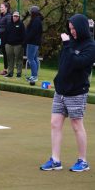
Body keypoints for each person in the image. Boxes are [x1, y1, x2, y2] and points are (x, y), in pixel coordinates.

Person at [40, 14, 95, 172]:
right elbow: (63, 62)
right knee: (55, 123)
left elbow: (77, 63)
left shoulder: (90, 45)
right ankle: (55, 160)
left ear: (82, 27)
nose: (72, 31)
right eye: (70, 29)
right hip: (61, 90)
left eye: (74, 28)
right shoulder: (70, 43)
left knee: (77, 125)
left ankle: (83, 160)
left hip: (77, 91)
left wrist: (67, 45)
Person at [24, 6, 43, 82]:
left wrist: (26, 40)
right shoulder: (37, 20)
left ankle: (34, 76)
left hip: (32, 42)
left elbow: (32, 33)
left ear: (33, 13)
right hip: (35, 42)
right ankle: (34, 75)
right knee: (34, 59)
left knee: (31, 59)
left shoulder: (36, 20)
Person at [4, 11, 26, 78]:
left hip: (18, 45)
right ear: (12, 16)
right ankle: (10, 73)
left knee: (19, 59)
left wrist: (22, 44)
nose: (15, 17)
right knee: (10, 59)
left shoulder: (21, 24)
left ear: (18, 17)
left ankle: (19, 73)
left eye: (16, 16)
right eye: (14, 16)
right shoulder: (8, 24)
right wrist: (6, 42)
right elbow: (6, 33)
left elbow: (24, 35)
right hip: (9, 44)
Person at [0, 2, 11, 75]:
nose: (0, 8)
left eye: (2, 7)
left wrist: (0, 31)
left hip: (5, 38)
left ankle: (5, 70)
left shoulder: (8, 16)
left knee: (5, 54)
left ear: (6, 8)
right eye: (0, 7)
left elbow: (8, 28)